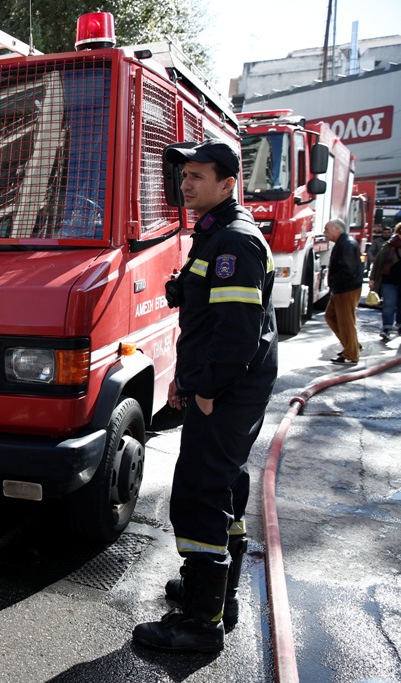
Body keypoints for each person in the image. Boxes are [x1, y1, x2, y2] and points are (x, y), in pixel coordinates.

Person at [133, 140, 278, 653]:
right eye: (185, 175)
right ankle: (218, 595)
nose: (186, 184)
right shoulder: (214, 234)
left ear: (227, 183)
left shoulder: (234, 242)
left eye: (197, 176)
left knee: (198, 492)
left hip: (228, 389)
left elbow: (236, 334)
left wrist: (208, 389)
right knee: (225, 486)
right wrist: (185, 377)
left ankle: (200, 625)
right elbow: (204, 313)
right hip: (222, 384)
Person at [324, 217, 364, 364]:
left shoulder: (346, 244)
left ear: (337, 229)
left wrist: (335, 283)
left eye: (327, 229)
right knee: (331, 316)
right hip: (342, 288)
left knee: (346, 322)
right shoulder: (344, 243)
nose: (324, 233)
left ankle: (352, 353)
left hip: (346, 289)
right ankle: (352, 345)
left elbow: (348, 269)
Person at [370, 224, 401, 341]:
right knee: (389, 305)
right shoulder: (388, 246)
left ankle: (400, 327)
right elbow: (378, 263)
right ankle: (386, 328)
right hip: (389, 281)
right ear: (397, 233)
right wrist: (372, 279)